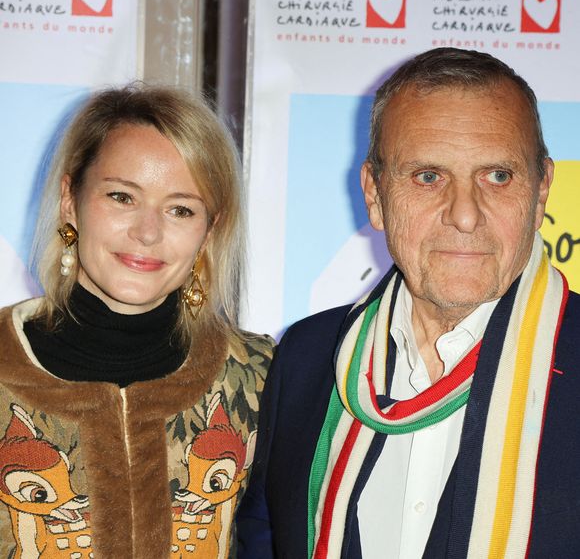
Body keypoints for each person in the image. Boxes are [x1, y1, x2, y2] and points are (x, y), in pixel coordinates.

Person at [237, 47, 580, 558]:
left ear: (540, 190)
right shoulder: (308, 359)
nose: (465, 215)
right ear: (375, 194)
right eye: (428, 177)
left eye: (498, 176)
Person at [0, 84, 273, 557]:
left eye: (180, 209)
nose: (148, 232)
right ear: (71, 200)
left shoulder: (261, 378)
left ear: (209, 230)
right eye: (123, 197)